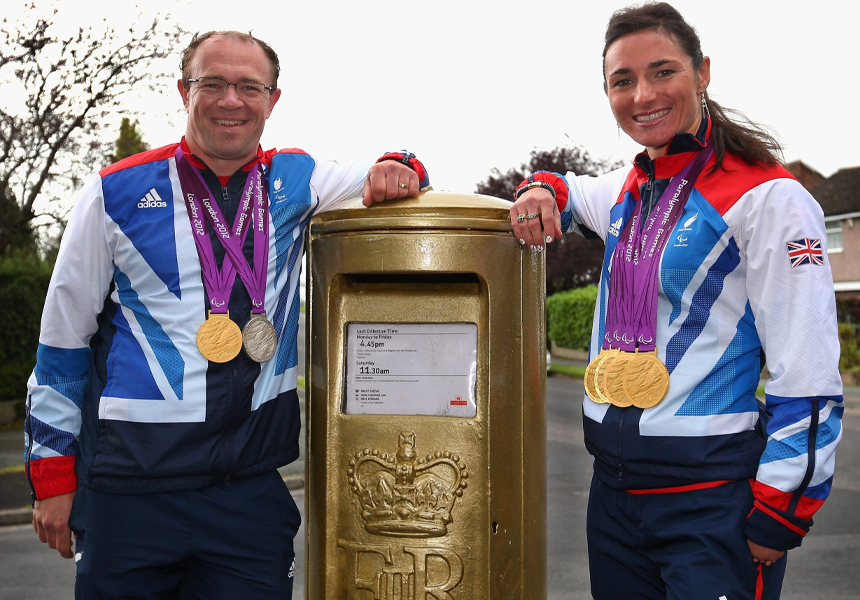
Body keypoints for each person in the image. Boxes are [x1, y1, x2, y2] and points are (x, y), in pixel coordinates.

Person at [24, 30, 428, 599]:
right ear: (184, 90)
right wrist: (51, 478)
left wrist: (400, 165)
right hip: (129, 496)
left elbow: (397, 170)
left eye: (248, 86)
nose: (230, 100)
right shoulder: (112, 192)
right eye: (212, 83)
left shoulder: (297, 179)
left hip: (248, 495)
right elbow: (61, 345)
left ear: (273, 99)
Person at [510, 3, 842, 599]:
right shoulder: (627, 187)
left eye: (663, 72)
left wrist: (784, 509)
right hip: (614, 497)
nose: (643, 95)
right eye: (623, 81)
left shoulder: (769, 197)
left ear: (703, 72)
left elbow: (808, 364)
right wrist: (539, 186)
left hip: (712, 502)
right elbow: (564, 189)